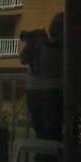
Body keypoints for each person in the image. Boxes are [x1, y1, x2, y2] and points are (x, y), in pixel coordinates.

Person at [20, 12, 64, 141]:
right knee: (39, 129)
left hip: (52, 90)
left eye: (57, 24)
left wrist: (44, 43)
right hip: (34, 90)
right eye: (52, 23)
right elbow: (23, 59)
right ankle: (43, 158)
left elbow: (60, 58)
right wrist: (30, 43)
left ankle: (52, 158)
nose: (53, 27)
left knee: (52, 130)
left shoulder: (64, 41)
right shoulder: (44, 41)